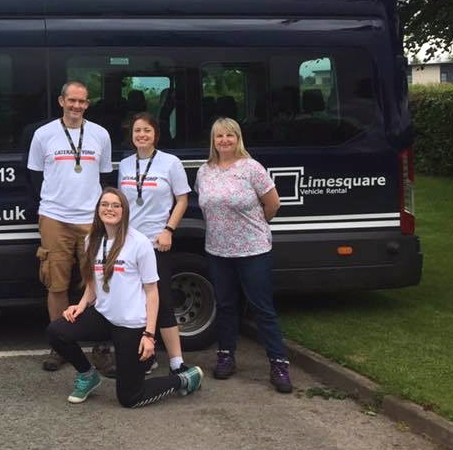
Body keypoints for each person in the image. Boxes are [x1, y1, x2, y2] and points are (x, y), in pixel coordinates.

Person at [46, 187, 203, 406]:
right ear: (98, 209)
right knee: (57, 331)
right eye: (104, 204)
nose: (109, 209)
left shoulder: (139, 243)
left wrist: (149, 334)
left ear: (124, 211)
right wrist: (80, 306)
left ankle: (183, 379)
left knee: (130, 398)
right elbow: (93, 281)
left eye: (115, 205)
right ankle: (88, 375)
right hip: (104, 317)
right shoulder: (92, 239)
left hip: (132, 325)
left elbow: (152, 292)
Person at [195, 117, 292, 393]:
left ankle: (279, 364)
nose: (224, 140)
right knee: (226, 305)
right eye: (219, 136)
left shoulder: (252, 168)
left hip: (253, 250)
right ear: (213, 141)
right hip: (218, 250)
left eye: (230, 135)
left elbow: (273, 204)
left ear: (238, 139)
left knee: (262, 308)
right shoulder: (204, 171)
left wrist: (255, 226)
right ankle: (226, 355)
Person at [27, 81, 113, 370]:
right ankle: (60, 345)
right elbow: (35, 177)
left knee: (98, 282)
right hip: (55, 218)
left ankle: (102, 345)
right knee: (56, 283)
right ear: (61, 101)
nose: (77, 106)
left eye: (82, 101)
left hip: (91, 219)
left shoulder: (100, 134)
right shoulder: (43, 135)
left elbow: (104, 178)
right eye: (72, 100)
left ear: (87, 104)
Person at [117, 111, 191, 375]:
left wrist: (169, 229)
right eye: (137, 130)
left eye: (147, 130)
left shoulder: (170, 163)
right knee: (135, 304)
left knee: (163, 301)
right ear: (131, 135)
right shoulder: (125, 165)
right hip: (129, 244)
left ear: (156, 134)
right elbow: (121, 204)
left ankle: (176, 361)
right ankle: (146, 358)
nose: (142, 135)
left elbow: (182, 199)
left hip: (157, 243)